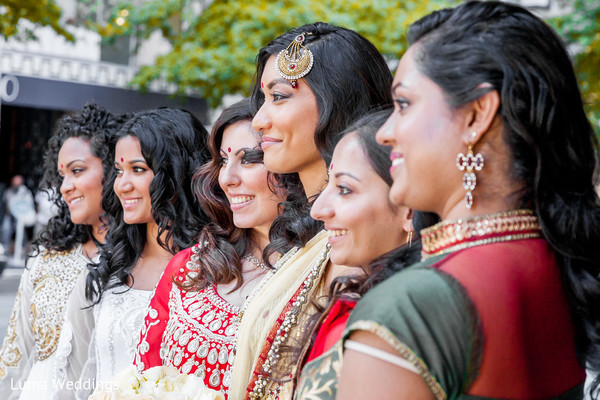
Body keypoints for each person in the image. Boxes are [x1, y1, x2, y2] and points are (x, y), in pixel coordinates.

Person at [337, 2, 599, 399]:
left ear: (477, 115)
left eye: (404, 104)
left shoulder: (412, 307)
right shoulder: (564, 267)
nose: (386, 132)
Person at [229, 22, 393, 400]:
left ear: (337, 99)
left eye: (280, 97)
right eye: (262, 99)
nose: (258, 121)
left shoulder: (367, 234)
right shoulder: (308, 234)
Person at [133, 98, 283, 398]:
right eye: (223, 161)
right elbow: (143, 378)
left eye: (249, 158)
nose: (227, 179)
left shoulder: (317, 272)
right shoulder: (189, 267)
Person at [294, 110, 440, 399]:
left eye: (344, 189)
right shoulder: (358, 303)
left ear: (409, 209)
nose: (318, 210)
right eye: (327, 185)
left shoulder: (396, 322)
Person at [71, 107, 211, 394]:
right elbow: (81, 373)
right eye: (119, 171)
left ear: (176, 172)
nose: (122, 185)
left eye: (138, 169)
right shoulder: (108, 267)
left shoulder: (213, 269)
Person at [0, 103, 127, 399]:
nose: (65, 187)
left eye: (77, 171)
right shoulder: (46, 258)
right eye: (61, 175)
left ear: (112, 170)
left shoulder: (141, 261)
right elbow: (14, 354)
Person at [2, 175, 35, 254]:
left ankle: (21, 248)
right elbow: (6, 203)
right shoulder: (9, 191)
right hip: (10, 215)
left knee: (20, 231)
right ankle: (5, 247)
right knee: (6, 228)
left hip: (21, 216)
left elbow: (29, 204)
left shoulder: (25, 192)